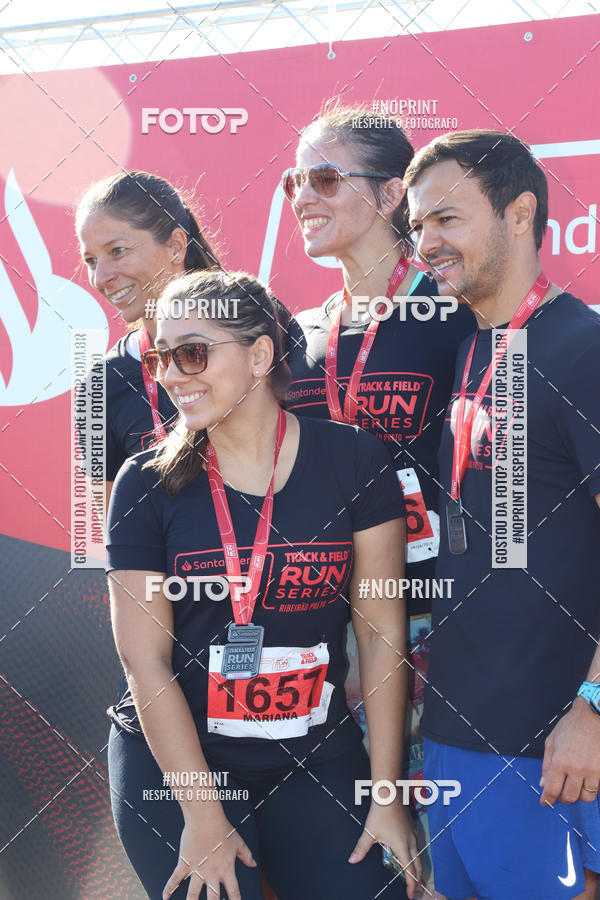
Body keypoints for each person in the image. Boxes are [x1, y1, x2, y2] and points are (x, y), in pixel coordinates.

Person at [105, 269, 422, 900]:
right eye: (160, 356)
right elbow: (145, 661)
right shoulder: (143, 483)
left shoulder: (355, 459)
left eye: (192, 352)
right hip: (179, 765)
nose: (171, 374)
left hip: (312, 752)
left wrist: (386, 796)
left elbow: (382, 633)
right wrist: (200, 815)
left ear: (259, 354)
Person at [405, 129, 600, 900]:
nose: (427, 243)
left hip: (549, 750)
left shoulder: (584, 347)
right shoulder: (475, 349)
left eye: (447, 220)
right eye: (418, 226)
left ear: (521, 213)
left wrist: (594, 707)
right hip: (454, 740)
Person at [283, 103, 475, 887]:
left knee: (449, 858)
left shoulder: (452, 314)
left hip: (442, 624)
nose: (301, 196)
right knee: (379, 868)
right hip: (324, 638)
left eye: (325, 177)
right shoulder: (297, 336)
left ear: (393, 194)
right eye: (295, 180)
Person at [76, 170, 220, 511]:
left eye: (118, 250)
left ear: (175, 246)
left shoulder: (261, 332)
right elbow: (118, 538)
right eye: (91, 261)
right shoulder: (101, 386)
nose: (101, 277)